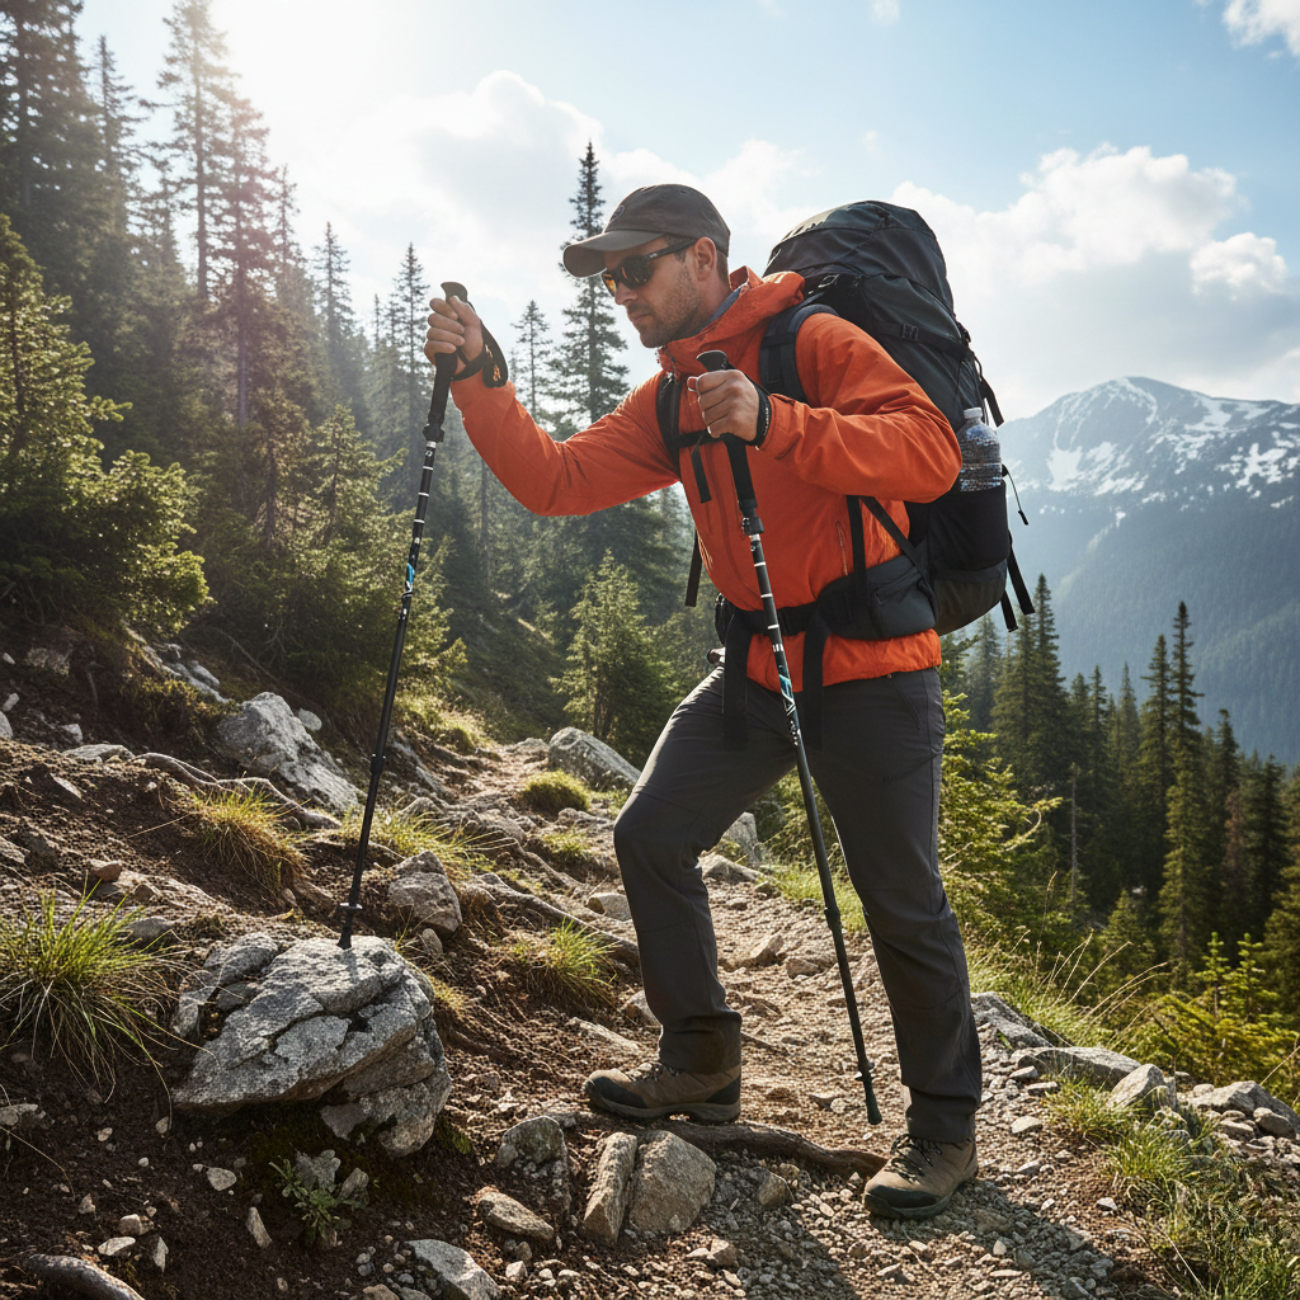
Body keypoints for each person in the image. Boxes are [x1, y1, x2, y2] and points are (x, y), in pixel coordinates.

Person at [424, 183, 983, 1219]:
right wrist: (481, 379)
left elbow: (930, 453)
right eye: (611, 279)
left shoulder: (811, 342)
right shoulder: (673, 397)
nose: (624, 293)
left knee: (900, 901)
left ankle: (945, 1132)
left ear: (704, 257)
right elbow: (556, 481)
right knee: (650, 832)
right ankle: (700, 1060)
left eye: (637, 269)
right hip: (758, 674)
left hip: (874, 673)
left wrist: (775, 421)